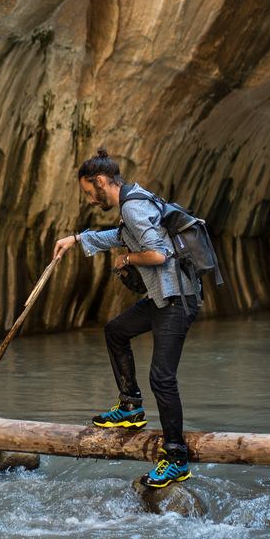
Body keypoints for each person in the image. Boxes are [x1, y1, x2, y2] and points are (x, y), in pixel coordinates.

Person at [52, 149, 200, 488]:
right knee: (116, 331)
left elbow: (157, 253)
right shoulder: (135, 199)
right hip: (162, 298)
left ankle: (176, 457)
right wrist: (77, 239)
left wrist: (127, 260)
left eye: (89, 192)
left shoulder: (132, 207)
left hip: (176, 300)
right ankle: (131, 408)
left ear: (101, 182)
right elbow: (119, 237)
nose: (90, 199)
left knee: (162, 378)